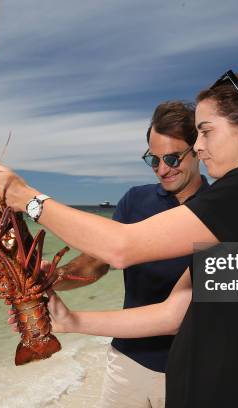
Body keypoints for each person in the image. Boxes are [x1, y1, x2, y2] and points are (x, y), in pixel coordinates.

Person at [0, 71, 238, 407]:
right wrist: (69, 321)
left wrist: (27, 198)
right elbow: (172, 315)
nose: (199, 146)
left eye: (206, 132)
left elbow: (122, 247)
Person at [41, 101, 208, 407]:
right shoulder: (135, 200)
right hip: (126, 362)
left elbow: (176, 316)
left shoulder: (220, 209)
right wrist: (55, 278)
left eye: (172, 158)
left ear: (198, 150)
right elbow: (97, 261)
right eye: (153, 159)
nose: (162, 169)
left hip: (192, 371)